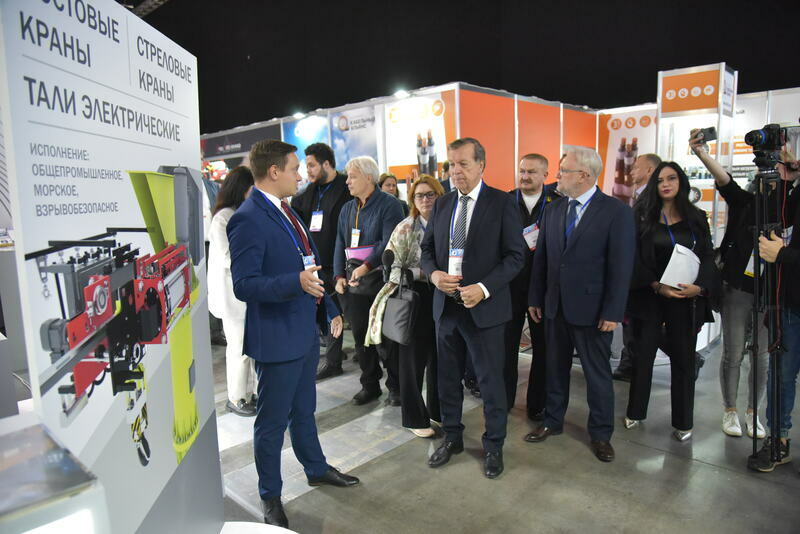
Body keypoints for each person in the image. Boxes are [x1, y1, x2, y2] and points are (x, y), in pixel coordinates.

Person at [227, 139, 359, 528]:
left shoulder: (289, 212)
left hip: (303, 333)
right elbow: (244, 285)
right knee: (271, 424)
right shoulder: (247, 218)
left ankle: (315, 467)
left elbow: (310, 265)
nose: (300, 175)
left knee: (304, 412)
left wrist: (329, 309)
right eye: (294, 168)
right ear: (274, 172)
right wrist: (294, 282)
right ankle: (270, 496)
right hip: (276, 339)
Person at [421, 137, 525, 479]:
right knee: (447, 378)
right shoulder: (443, 204)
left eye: (463, 164)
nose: (456, 171)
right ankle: (452, 437)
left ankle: (493, 445)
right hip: (447, 308)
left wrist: (483, 289)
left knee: (490, 381)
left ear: (481, 165)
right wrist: (434, 275)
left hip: (485, 310)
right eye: (452, 164)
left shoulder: (502, 203)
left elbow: (515, 257)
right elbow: (427, 250)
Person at [525, 146, 635, 463]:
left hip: (594, 311)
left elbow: (621, 266)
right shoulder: (554, 210)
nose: (558, 176)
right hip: (554, 307)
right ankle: (552, 421)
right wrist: (535, 297)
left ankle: (600, 434)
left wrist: (613, 311)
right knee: (554, 369)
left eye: (564, 171)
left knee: (597, 375)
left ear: (584, 175)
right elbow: (542, 259)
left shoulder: (615, 212)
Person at [623, 162, 717, 441]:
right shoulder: (641, 216)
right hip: (649, 296)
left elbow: (708, 255)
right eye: (660, 180)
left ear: (681, 182)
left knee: (684, 360)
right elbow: (632, 257)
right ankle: (635, 412)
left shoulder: (696, 217)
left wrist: (700, 287)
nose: (665, 184)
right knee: (643, 357)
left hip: (686, 299)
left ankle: (683, 422)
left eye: (671, 178)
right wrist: (655, 285)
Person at [689, 129, 769, 438]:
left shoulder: (789, 208)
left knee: (762, 357)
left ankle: (753, 412)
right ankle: (730, 409)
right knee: (733, 353)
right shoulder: (745, 203)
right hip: (737, 287)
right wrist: (702, 154)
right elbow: (725, 181)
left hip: (770, 291)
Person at [366, 174, 444, 437]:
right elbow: (392, 270)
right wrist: (424, 273)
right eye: (419, 195)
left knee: (440, 359)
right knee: (412, 362)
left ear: (439, 195)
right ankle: (414, 419)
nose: (425, 200)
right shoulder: (405, 228)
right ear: (412, 200)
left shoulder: (448, 223)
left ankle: (438, 412)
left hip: (444, 296)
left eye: (430, 194)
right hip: (414, 298)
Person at [334, 156, 405, 405]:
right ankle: (370, 384)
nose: (348, 182)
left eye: (352, 177)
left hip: (381, 282)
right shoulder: (347, 209)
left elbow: (388, 242)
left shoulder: (390, 205)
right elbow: (339, 242)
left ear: (368, 177)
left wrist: (366, 266)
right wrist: (338, 276)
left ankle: (396, 387)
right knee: (361, 337)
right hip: (354, 284)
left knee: (387, 339)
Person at [753, 146, 800, 472]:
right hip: (789, 302)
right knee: (781, 375)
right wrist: (786, 181)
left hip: (790, 294)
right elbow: (781, 221)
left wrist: (782, 255)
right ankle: (778, 439)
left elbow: (784, 246)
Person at [290, 143, 353, 380]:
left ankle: (353, 358)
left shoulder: (347, 188)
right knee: (327, 313)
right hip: (316, 263)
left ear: (327, 164)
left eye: (312, 165)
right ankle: (333, 360)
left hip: (344, 263)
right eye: (306, 166)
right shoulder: (308, 194)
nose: (308, 171)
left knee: (349, 314)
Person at [506, 153, 556, 420]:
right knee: (506, 347)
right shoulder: (504, 202)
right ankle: (503, 401)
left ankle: (537, 405)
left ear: (545, 175)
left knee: (543, 348)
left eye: (532, 172)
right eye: (522, 171)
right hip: (509, 287)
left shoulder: (557, 203)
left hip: (543, 289)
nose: (525, 176)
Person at [208, 166, 257, 416]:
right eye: (251, 189)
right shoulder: (222, 219)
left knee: (254, 348)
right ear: (241, 189)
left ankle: (256, 393)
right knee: (238, 349)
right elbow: (228, 256)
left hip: (249, 292)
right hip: (231, 296)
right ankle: (237, 398)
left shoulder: (243, 213)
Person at [613, 153, 662, 382]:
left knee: (639, 325)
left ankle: (631, 366)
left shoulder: (654, 200)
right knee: (632, 323)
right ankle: (629, 364)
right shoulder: (638, 197)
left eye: (636, 168)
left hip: (645, 275)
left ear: (650, 170)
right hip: (636, 273)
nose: (631, 171)